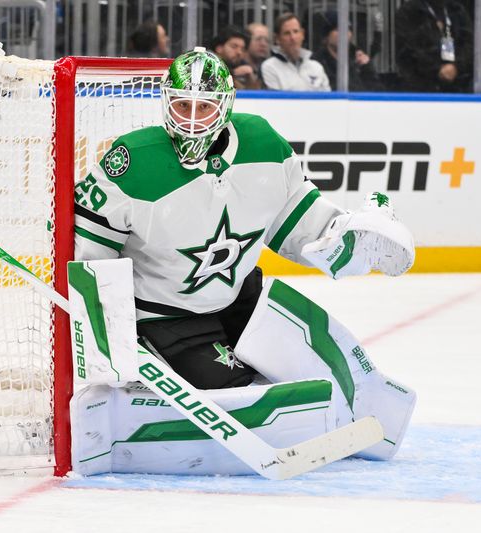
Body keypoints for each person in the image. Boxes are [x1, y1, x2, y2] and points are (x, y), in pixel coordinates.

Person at [72, 48, 416, 474]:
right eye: (182, 104)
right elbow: (88, 255)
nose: (192, 118)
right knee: (238, 389)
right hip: (168, 318)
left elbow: (296, 222)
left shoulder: (263, 144)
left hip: (242, 298)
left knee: (328, 359)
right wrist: (112, 339)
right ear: (166, 101)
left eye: (204, 106)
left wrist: (345, 237)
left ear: (227, 105)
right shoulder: (131, 162)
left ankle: (374, 416)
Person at [395, 0, 473, 92]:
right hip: (420, 87)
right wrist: (437, 70)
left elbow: (469, 44)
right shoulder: (409, 11)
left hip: (457, 85)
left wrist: (456, 67)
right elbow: (409, 49)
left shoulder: (456, 10)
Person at [312, 11, 382, 92]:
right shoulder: (317, 62)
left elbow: (378, 92)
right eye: (337, 29)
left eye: (347, 29)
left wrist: (367, 69)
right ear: (326, 36)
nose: (344, 33)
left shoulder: (357, 59)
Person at [261, 13, 330, 91]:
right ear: (277, 39)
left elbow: (328, 100)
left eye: (296, 31)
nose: (293, 38)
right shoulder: (270, 67)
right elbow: (276, 101)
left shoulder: (316, 67)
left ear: (302, 34)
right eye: (287, 33)